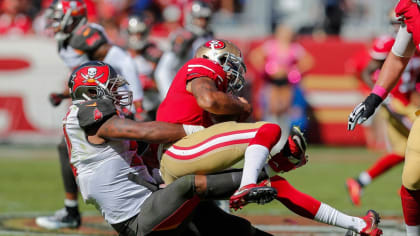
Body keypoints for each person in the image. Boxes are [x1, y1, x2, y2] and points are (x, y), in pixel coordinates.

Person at [156, 39, 383, 236]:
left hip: (187, 158)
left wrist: (275, 165)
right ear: (216, 59)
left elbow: (225, 143)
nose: (235, 73)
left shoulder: (207, 92)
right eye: (232, 64)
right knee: (268, 129)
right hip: (177, 154)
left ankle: (358, 225)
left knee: (276, 184)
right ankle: (249, 185)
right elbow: (209, 101)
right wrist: (239, 105)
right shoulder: (201, 66)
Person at [64, 61, 274, 236]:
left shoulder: (93, 120)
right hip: (136, 217)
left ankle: (260, 180)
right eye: (110, 87)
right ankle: (259, 177)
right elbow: (142, 132)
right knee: (187, 184)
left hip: (149, 200)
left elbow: (141, 149)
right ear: (90, 92)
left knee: (219, 223)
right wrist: (190, 130)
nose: (116, 92)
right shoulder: (84, 114)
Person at [36, 0, 144, 230]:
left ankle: (73, 211)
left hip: (116, 101)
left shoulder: (86, 35)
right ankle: (72, 209)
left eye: (58, 16)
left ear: (73, 16)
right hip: (98, 100)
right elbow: (87, 76)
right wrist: (63, 93)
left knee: (134, 150)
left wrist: (137, 103)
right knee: (68, 147)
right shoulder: (69, 38)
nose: (54, 22)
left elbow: (124, 61)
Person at [348, 0, 420, 234]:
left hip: (409, 103)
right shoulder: (407, 22)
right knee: (411, 176)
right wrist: (375, 98)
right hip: (401, 103)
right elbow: (397, 58)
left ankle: (361, 180)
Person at [248, 22, 313, 145]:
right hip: (272, 82)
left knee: (285, 108)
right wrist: (267, 69)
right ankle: (270, 137)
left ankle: (283, 138)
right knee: (272, 109)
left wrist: (293, 71)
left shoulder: (295, 47)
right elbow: (255, 56)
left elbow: (308, 61)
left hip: (286, 82)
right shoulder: (271, 45)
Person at [154, 0, 214, 100]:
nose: (202, 22)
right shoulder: (183, 37)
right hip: (184, 91)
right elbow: (163, 70)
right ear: (190, 17)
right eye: (199, 18)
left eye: (205, 18)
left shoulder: (208, 35)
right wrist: (170, 97)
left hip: (203, 89)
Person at [125, 14, 163, 121]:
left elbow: (167, 83)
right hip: (130, 109)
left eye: (141, 33)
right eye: (134, 33)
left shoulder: (154, 53)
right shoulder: (121, 55)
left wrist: (151, 83)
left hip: (153, 105)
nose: (137, 37)